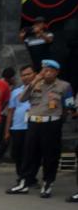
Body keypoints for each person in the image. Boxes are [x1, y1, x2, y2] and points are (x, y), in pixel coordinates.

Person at [7, 59, 75, 198]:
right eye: (44, 70)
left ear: (56, 72)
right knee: (29, 154)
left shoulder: (64, 86)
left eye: (50, 70)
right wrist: (34, 81)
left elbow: (69, 106)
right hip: (33, 123)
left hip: (51, 123)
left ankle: (47, 183)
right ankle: (24, 183)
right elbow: (22, 99)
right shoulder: (35, 84)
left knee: (50, 155)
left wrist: (59, 119)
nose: (47, 73)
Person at [4, 65, 35, 186]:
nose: (26, 77)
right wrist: (7, 131)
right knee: (17, 153)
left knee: (32, 153)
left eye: (28, 74)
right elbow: (10, 112)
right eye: (23, 75)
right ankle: (21, 175)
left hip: (33, 127)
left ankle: (30, 177)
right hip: (17, 127)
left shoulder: (40, 90)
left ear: (35, 74)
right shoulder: (16, 92)